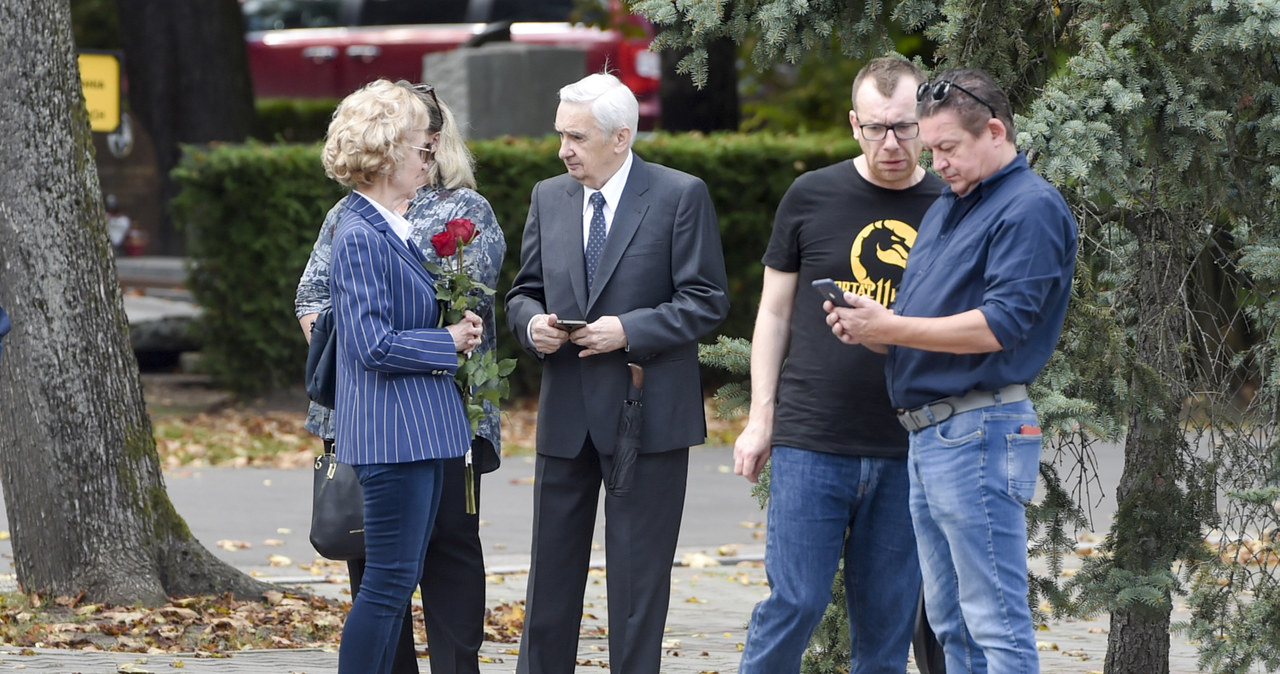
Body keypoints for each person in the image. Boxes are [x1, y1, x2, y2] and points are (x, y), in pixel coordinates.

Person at [826, 67, 1077, 673]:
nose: (936, 162)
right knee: (952, 624)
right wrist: (873, 330)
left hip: (981, 430)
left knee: (994, 622)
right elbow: (928, 323)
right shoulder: (951, 202)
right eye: (931, 147)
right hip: (932, 434)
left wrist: (890, 329)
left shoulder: (1030, 206)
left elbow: (1000, 326)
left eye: (947, 148)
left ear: (994, 131)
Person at [504, 72, 730, 674]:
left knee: (637, 585)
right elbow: (523, 291)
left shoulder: (681, 195)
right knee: (549, 576)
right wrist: (532, 327)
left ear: (621, 137)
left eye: (576, 138)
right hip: (565, 415)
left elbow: (706, 299)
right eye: (560, 136)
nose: (563, 151)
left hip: (647, 411)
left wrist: (630, 329)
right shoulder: (548, 197)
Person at [733, 57, 945, 674]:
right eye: (877, 128)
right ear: (854, 125)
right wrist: (759, 419)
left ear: (925, 123)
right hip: (811, 438)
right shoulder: (812, 194)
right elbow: (772, 314)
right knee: (794, 602)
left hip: (907, 442)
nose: (891, 144)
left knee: (884, 625)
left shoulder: (949, 204)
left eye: (905, 127)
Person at [296, 82, 503, 674]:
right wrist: (449, 340)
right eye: (420, 146)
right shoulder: (360, 230)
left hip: (420, 431)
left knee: (397, 579)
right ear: (388, 153)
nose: (428, 158)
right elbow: (369, 343)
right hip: (395, 434)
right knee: (386, 587)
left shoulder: (393, 222)